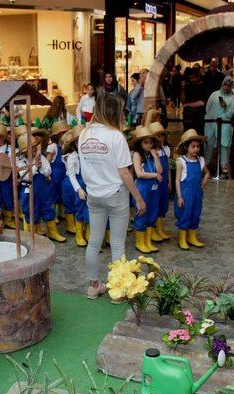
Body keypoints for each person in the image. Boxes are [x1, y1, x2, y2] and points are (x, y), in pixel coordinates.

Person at [78, 93, 146, 299]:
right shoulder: (116, 136)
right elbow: (124, 172)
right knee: (117, 244)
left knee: (94, 242)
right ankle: (119, 290)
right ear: (114, 112)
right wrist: (139, 198)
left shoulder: (83, 134)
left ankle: (93, 286)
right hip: (115, 194)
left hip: (94, 194)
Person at [17, 129, 66, 242]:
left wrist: (42, 167)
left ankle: (53, 232)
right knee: (32, 211)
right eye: (31, 147)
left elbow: (48, 171)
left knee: (48, 208)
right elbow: (24, 177)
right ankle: (32, 236)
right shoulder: (21, 162)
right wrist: (35, 167)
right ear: (25, 150)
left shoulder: (42, 157)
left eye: (35, 146)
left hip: (44, 190)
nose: (34, 148)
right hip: (29, 191)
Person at [174, 129, 210, 250]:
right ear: (186, 147)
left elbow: (207, 173)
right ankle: (182, 239)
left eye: (198, 146)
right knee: (185, 214)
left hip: (197, 193)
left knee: (195, 213)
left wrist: (205, 179)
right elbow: (177, 180)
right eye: (193, 146)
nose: (196, 149)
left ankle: (192, 237)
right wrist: (179, 196)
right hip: (185, 194)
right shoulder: (181, 162)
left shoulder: (200, 160)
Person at [130, 125, 162, 254]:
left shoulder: (153, 155)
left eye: (151, 142)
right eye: (146, 142)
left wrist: (155, 157)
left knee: (152, 213)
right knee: (141, 213)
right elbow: (139, 173)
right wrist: (155, 175)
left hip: (154, 189)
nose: (149, 145)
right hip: (142, 188)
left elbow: (160, 170)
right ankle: (140, 242)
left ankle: (148, 241)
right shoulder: (137, 155)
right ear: (140, 143)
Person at [61, 125, 88, 246]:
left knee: (88, 209)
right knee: (79, 209)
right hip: (79, 183)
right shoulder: (72, 156)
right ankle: (79, 235)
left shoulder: (87, 154)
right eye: (79, 141)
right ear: (74, 143)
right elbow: (71, 175)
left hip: (88, 182)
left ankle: (87, 233)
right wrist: (79, 189)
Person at [204, 76, 234, 176]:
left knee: (224, 146)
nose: (226, 87)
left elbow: (231, 114)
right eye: (225, 85)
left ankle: (223, 167)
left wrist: (225, 107)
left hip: (225, 125)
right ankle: (206, 165)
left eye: (229, 85)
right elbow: (208, 108)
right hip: (211, 123)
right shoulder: (214, 94)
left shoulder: (232, 98)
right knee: (209, 144)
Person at [149, 121, 171, 242]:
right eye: (157, 136)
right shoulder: (151, 153)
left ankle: (160, 229)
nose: (160, 138)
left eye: (161, 135)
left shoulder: (165, 150)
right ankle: (151, 230)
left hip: (163, 182)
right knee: (154, 205)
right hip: (154, 182)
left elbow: (167, 165)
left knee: (162, 204)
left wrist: (169, 181)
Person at [46, 120, 69, 229]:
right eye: (64, 132)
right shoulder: (53, 146)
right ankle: (53, 214)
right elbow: (48, 161)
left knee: (61, 193)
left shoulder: (64, 145)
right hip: (55, 173)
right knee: (53, 194)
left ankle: (61, 212)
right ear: (59, 134)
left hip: (63, 173)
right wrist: (47, 174)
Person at [181, 68, 208, 135]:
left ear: (198, 76)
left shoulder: (204, 86)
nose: (192, 80)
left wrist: (188, 104)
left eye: (193, 77)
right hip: (187, 116)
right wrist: (183, 89)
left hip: (198, 117)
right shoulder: (188, 85)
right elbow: (183, 101)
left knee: (198, 136)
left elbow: (202, 103)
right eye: (190, 78)